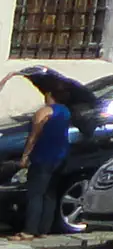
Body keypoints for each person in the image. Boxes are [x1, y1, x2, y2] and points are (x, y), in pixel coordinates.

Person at [9, 76, 71, 239]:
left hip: (43, 157)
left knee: (35, 194)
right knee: (50, 193)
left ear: (50, 93)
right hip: (60, 156)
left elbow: (33, 136)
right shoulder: (65, 111)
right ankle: (44, 229)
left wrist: (25, 156)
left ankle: (29, 230)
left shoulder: (44, 112)